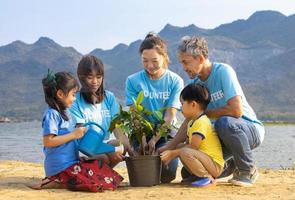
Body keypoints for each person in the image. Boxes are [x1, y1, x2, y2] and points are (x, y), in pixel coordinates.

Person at [158, 36, 265, 187]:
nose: (183, 67)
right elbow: (190, 120)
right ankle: (231, 163)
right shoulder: (195, 84)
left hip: (247, 129)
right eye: (181, 62)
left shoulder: (223, 72)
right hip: (221, 136)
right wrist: (170, 146)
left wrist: (204, 114)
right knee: (188, 174)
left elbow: (236, 111)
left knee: (224, 123)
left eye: (186, 62)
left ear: (200, 58)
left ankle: (247, 170)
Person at [31, 70, 123, 192]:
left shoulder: (63, 114)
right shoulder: (51, 114)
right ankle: (56, 181)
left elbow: (68, 140)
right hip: (61, 168)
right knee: (96, 183)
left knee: (100, 166)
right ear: (60, 94)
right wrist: (73, 135)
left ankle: (60, 180)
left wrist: (81, 135)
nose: (75, 99)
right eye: (73, 94)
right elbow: (48, 141)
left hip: (71, 163)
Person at [125, 32, 184, 183]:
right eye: (145, 61)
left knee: (166, 174)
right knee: (142, 171)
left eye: (155, 61)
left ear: (164, 57)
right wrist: (143, 140)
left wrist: (154, 141)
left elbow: (170, 116)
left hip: (166, 131)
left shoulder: (175, 81)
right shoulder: (132, 81)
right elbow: (135, 115)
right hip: (141, 131)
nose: (150, 66)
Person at [69, 55, 132, 167]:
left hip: (101, 145)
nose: (95, 82)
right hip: (84, 147)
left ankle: (102, 175)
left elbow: (117, 126)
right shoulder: (75, 100)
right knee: (103, 158)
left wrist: (128, 148)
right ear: (81, 78)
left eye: (98, 77)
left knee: (121, 144)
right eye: (90, 77)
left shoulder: (109, 97)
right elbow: (82, 135)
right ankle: (98, 173)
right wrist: (110, 150)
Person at [161, 83, 224, 187]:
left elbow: (193, 147)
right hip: (205, 160)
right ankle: (197, 176)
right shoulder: (191, 122)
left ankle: (206, 177)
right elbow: (187, 145)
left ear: (193, 104)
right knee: (180, 147)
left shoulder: (201, 122)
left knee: (184, 151)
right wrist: (174, 150)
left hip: (214, 165)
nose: (181, 108)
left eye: (182, 104)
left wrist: (172, 154)